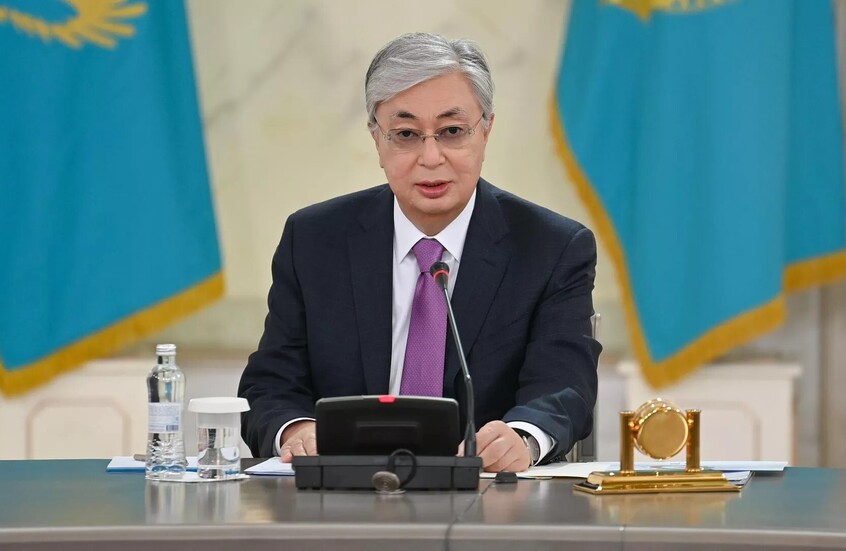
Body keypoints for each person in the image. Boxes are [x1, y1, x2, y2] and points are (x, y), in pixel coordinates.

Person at [238, 32, 600, 472]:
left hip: (485, 494)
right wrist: (296, 430)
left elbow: (564, 386)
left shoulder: (551, 247)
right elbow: (271, 383)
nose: (431, 157)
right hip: (343, 494)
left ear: (486, 130)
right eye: (406, 134)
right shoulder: (315, 240)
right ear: (377, 139)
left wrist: (522, 435)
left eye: (452, 132)